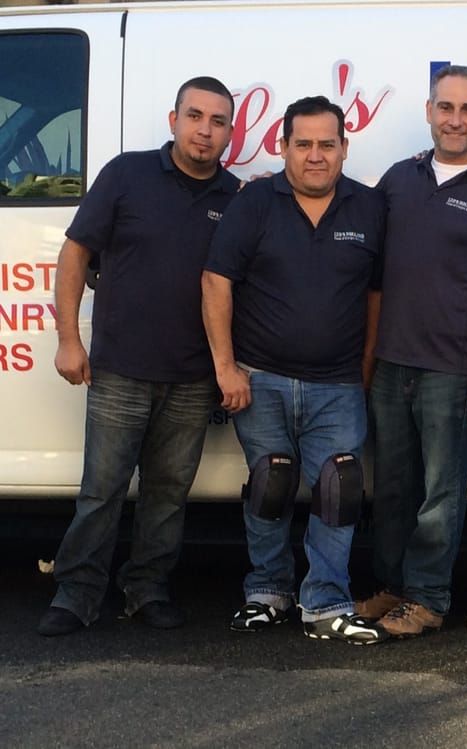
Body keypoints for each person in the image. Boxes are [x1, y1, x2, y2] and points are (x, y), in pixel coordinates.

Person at [38, 77, 239, 637]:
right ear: (174, 119)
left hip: (194, 378)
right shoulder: (125, 175)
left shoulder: (236, 197)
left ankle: (146, 590)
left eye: (218, 120)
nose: (205, 129)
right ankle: (76, 594)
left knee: (168, 495)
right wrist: (68, 339)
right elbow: (75, 253)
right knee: (101, 490)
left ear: (230, 130)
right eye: (195, 115)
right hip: (120, 368)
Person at [201, 96, 384, 644]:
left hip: (339, 383)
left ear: (345, 148)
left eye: (327, 144)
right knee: (270, 485)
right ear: (283, 148)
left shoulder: (369, 207)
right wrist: (226, 367)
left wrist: (366, 370)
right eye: (302, 144)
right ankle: (267, 594)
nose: (315, 156)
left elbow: (377, 296)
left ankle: (325, 603)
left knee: (339, 488)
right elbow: (216, 282)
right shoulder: (254, 201)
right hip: (261, 377)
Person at [358, 65, 467, 639]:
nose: (456, 120)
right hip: (392, 364)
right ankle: (392, 587)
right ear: (430, 111)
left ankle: (429, 599)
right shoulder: (397, 180)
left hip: (455, 372)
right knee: (390, 488)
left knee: (441, 492)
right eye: (446, 107)